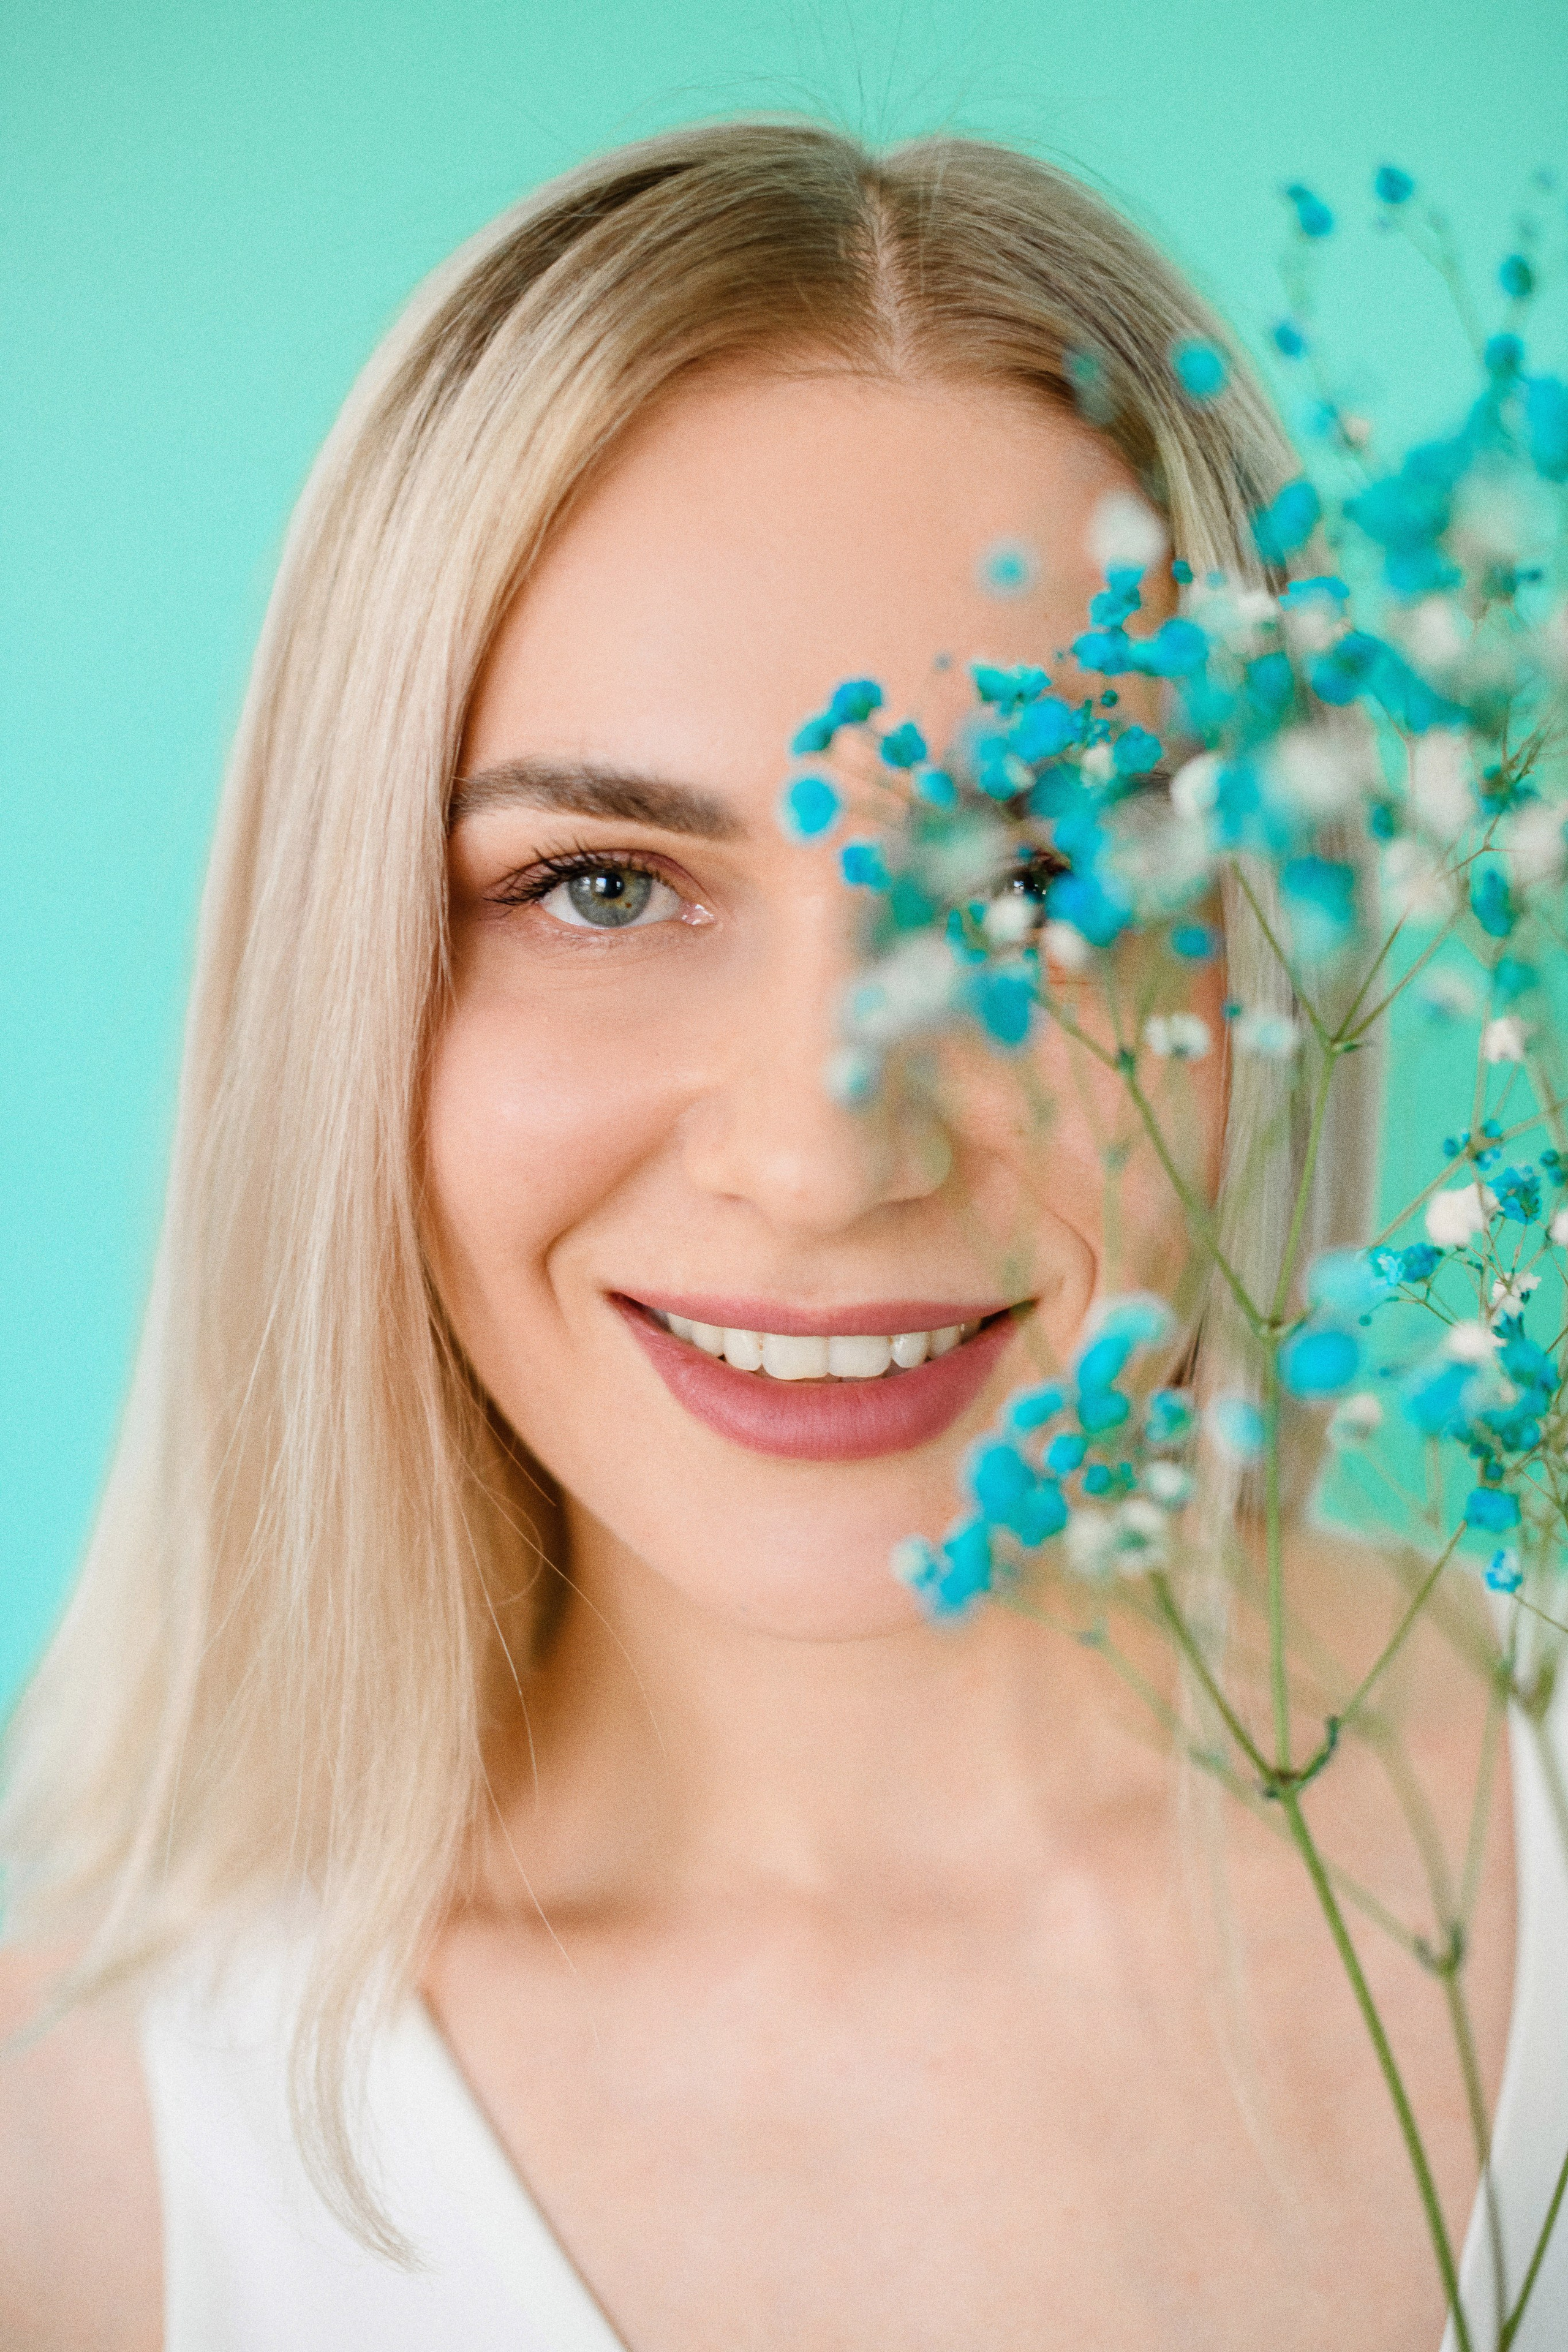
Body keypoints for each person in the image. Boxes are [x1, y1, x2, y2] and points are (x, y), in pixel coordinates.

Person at [1, 119, 1561, 2352]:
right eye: (601, 888)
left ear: (1273, 947)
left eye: (1039, 889)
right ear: (345, 982)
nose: (830, 1162)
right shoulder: (59, 2173)